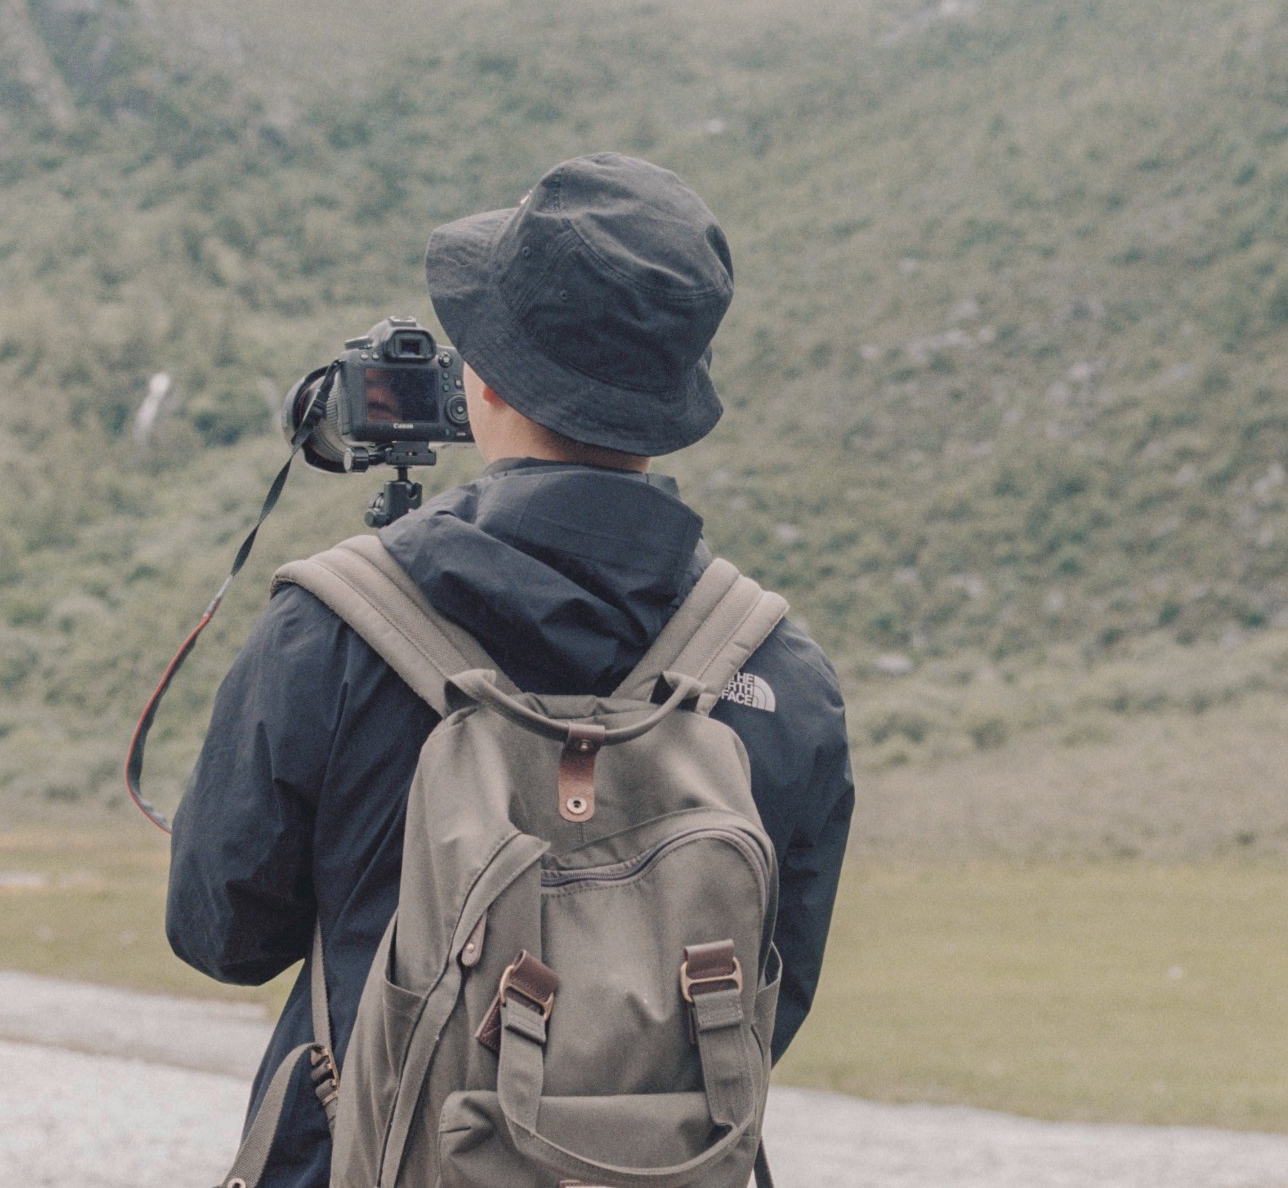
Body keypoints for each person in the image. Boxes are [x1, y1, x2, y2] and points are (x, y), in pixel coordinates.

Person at [166, 152, 854, 1188]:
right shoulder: (773, 669)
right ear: (671, 400)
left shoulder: (334, 625)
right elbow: (763, 1004)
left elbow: (220, 931)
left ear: (482, 378)